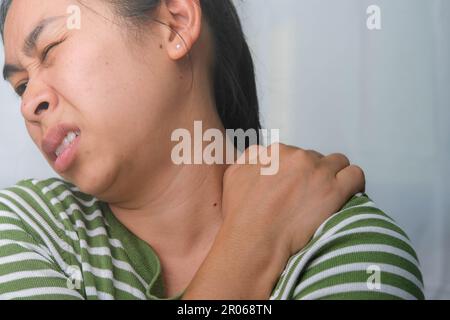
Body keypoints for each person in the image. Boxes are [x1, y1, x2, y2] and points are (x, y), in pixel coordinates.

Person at [0, 0, 424, 300]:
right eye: (20, 84)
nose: (27, 103)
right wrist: (252, 242)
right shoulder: (23, 228)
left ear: (175, 25)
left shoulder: (347, 245)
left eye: (51, 48)